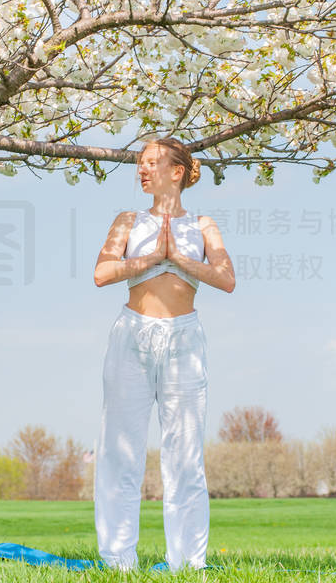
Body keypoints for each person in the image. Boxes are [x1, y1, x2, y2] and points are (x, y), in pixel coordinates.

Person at [92, 137, 236, 570]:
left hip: (183, 340)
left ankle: (188, 565)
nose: (142, 169)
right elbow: (102, 273)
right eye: (139, 163)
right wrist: (152, 257)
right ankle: (118, 561)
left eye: (151, 162)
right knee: (120, 450)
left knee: (185, 453)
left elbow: (226, 279)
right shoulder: (127, 220)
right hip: (132, 336)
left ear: (176, 171)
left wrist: (180, 259)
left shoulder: (204, 225)